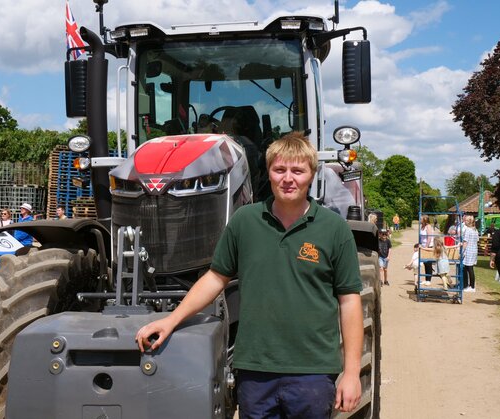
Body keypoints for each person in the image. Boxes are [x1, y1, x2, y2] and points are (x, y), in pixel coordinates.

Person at [135, 132, 364, 417]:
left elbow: (349, 300)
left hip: (313, 372)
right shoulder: (245, 221)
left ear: (312, 174)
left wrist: (352, 373)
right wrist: (171, 321)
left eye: (297, 170)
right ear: (268, 172)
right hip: (255, 371)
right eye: (279, 170)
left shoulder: (334, 228)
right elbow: (215, 278)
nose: (288, 178)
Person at [461, 215, 479, 292]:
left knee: (468, 268)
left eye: (466, 220)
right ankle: (467, 285)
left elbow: (465, 242)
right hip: (474, 250)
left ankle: (471, 286)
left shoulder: (468, 230)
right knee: (469, 268)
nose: (465, 221)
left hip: (469, 251)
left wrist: (461, 251)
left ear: (470, 222)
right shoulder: (475, 230)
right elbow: (477, 240)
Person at [419, 214, 434, 285]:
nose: (420, 219)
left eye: (421, 219)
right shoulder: (422, 226)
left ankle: (429, 280)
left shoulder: (428, 226)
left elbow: (429, 237)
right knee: (425, 263)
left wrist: (426, 246)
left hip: (428, 246)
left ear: (424, 219)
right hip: (423, 246)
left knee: (428, 263)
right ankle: (426, 279)